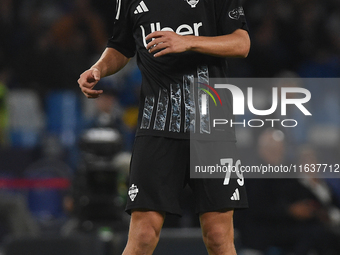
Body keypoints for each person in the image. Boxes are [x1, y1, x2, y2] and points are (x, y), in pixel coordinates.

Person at [78, 0, 250, 254]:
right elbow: (120, 46)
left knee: (218, 236)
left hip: (212, 127)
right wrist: (98, 68)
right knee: (144, 234)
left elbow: (241, 43)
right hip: (157, 124)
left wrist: (188, 41)